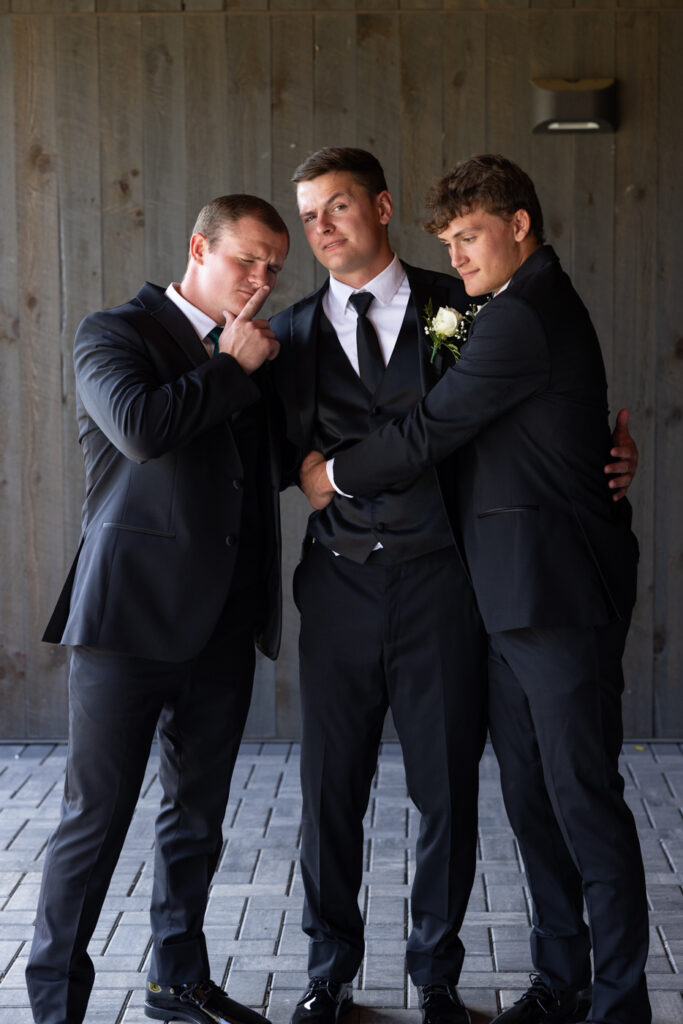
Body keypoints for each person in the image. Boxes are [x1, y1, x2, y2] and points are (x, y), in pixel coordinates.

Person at [271, 148, 637, 1024]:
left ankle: (453, 976)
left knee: (467, 793)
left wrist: (602, 458)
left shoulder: (466, 307)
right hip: (355, 585)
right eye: (308, 214)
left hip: (463, 585)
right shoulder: (289, 335)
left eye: (338, 206)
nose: (322, 227)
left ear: (380, 208)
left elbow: (463, 420)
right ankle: (340, 974)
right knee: (348, 792)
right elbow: (271, 446)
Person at [25, 195, 289, 1024]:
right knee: (94, 823)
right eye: (246, 259)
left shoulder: (258, 351)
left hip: (224, 626)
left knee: (196, 820)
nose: (260, 279)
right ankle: (55, 1008)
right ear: (198, 248)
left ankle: (177, 984)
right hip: (126, 625)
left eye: (274, 268)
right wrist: (230, 367)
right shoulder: (113, 333)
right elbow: (141, 429)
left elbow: (281, 461)